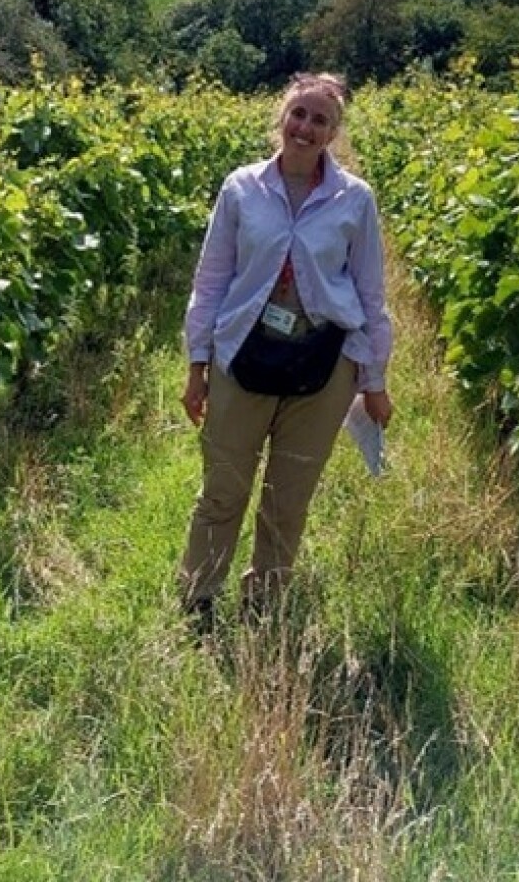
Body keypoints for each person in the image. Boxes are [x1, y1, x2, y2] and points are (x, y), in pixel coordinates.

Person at [177, 72, 393, 630]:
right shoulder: (241, 188)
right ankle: (199, 599)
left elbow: (371, 293)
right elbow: (212, 279)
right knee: (223, 488)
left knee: (288, 498)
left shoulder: (355, 200)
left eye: (320, 120)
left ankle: (262, 607)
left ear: (333, 133)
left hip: (323, 366)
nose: (306, 127)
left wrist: (373, 381)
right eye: (299, 113)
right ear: (281, 116)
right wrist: (197, 366)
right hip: (241, 355)